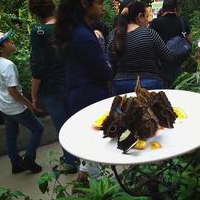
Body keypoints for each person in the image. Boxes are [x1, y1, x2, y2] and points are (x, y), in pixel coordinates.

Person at [54, 0, 113, 175]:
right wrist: (109, 65)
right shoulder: (84, 37)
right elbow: (104, 71)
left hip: (79, 95)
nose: (102, 7)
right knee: (94, 150)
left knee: (88, 152)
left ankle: (86, 181)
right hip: (89, 97)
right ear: (85, 4)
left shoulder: (75, 31)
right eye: (99, 2)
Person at [28, 0, 79, 174]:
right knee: (75, 122)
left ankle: (71, 162)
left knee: (62, 126)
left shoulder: (38, 32)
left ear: (35, 13)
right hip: (73, 83)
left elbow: (38, 66)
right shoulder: (69, 28)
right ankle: (79, 157)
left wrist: (34, 95)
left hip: (52, 88)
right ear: (53, 7)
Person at [0, 30, 44, 174]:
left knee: (11, 135)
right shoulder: (8, 65)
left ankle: (16, 164)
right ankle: (28, 160)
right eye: (8, 41)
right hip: (15, 108)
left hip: (3, 107)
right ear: (0, 48)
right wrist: (31, 106)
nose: (12, 42)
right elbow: (13, 92)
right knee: (38, 129)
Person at [107, 0, 173, 95]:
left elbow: (110, 64)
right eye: (146, 16)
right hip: (149, 85)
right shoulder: (149, 34)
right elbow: (168, 57)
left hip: (120, 86)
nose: (148, 20)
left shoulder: (113, 35)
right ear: (140, 17)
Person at [149, 0, 192, 88]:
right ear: (176, 9)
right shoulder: (183, 21)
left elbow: (150, 42)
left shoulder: (155, 22)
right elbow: (190, 40)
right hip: (180, 63)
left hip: (162, 63)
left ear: (162, 10)